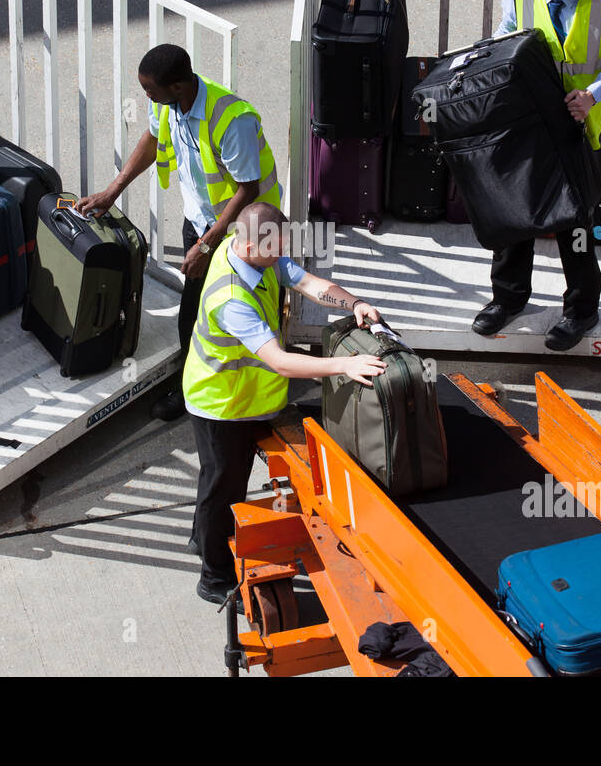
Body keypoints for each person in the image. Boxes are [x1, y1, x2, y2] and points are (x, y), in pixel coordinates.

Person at [182, 201, 385, 607]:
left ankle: (201, 539)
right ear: (248, 244)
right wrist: (345, 364)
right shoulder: (232, 298)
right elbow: (278, 360)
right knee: (224, 489)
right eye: (273, 250)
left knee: (217, 485)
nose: (280, 257)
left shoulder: (257, 254)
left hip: (250, 395)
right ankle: (214, 577)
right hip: (222, 403)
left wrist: (354, 303)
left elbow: (308, 283)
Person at [75, 43, 282, 421]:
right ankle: (194, 387)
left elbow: (248, 188)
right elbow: (152, 141)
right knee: (195, 312)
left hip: (246, 232)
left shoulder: (231, 119)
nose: (146, 98)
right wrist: (112, 191)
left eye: (151, 90)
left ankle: (252, 393)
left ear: (177, 86)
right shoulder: (167, 104)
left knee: (248, 311)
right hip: (202, 222)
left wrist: (207, 245)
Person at [473, 0, 601, 350]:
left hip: (574, 130)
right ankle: (508, 299)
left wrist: (593, 94)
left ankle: (582, 311)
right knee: (514, 214)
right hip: (526, 126)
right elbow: (504, 38)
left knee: (574, 226)